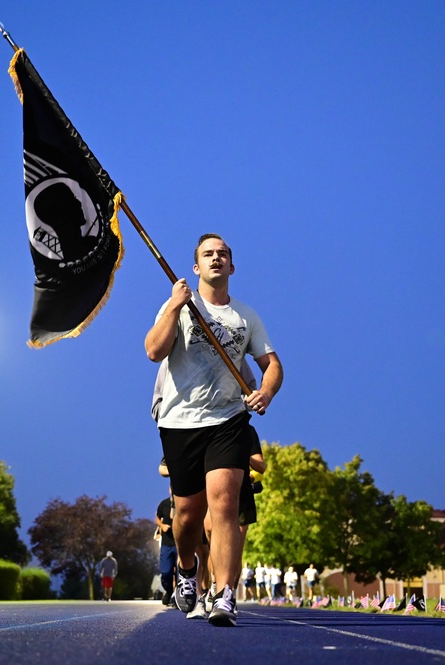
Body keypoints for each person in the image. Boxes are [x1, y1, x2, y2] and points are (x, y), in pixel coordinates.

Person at [145, 233, 283, 627]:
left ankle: (225, 595)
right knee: (187, 516)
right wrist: (174, 306)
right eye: (208, 254)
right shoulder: (178, 306)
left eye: (223, 254)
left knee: (224, 504)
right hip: (179, 420)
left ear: (232, 266)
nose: (216, 258)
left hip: (228, 418)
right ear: (196, 267)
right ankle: (187, 571)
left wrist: (266, 392)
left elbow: (272, 364)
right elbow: (154, 350)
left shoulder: (246, 316)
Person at [156, 490, 178, 607]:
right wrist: (162, 525)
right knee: (166, 572)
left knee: (181, 572)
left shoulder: (183, 503)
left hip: (180, 544)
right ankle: (169, 591)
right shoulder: (164, 503)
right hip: (166, 544)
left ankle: (178, 596)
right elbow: (157, 518)